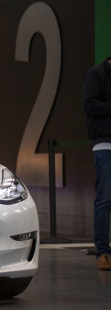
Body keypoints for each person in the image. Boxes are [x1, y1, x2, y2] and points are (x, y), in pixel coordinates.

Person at [83, 56, 111, 270]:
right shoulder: (97, 74)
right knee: (105, 198)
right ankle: (103, 253)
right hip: (104, 143)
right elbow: (89, 104)